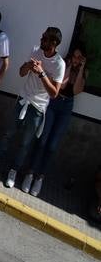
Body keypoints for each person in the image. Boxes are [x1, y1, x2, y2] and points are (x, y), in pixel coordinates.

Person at [3, 27, 67, 190]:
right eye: (43, 36)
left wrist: (42, 73)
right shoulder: (35, 50)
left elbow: (54, 93)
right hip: (23, 100)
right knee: (7, 134)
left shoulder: (59, 64)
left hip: (38, 108)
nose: (41, 39)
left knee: (25, 144)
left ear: (54, 43)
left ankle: (13, 171)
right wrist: (28, 66)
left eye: (45, 38)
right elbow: (21, 73)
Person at [18, 45, 87, 197]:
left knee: (52, 145)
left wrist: (81, 69)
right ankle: (30, 173)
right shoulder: (63, 65)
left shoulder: (83, 72)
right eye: (74, 56)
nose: (76, 59)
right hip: (53, 103)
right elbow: (61, 86)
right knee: (42, 140)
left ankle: (40, 177)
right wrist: (69, 65)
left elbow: (75, 90)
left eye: (79, 57)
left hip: (67, 107)